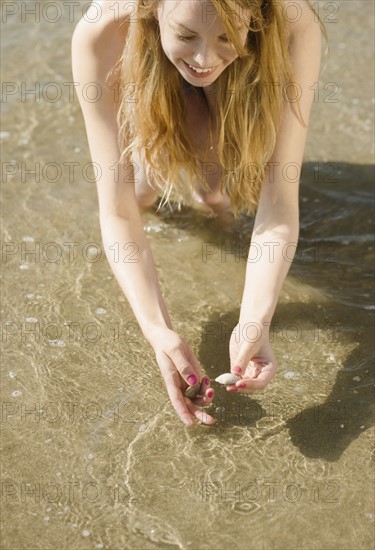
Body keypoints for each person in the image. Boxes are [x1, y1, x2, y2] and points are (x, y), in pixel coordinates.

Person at [71, 0, 324, 427]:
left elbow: (279, 201)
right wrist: (157, 330)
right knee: (141, 193)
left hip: (240, 84)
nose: (205, 58)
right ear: (152, 7)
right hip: (146, 69)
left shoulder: (294, 24)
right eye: (186, 35)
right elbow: (116, 212)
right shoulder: (102, 30)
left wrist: (254, 320)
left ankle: (218, 205)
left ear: (256, 14)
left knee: (215, 191)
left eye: (227, 35)